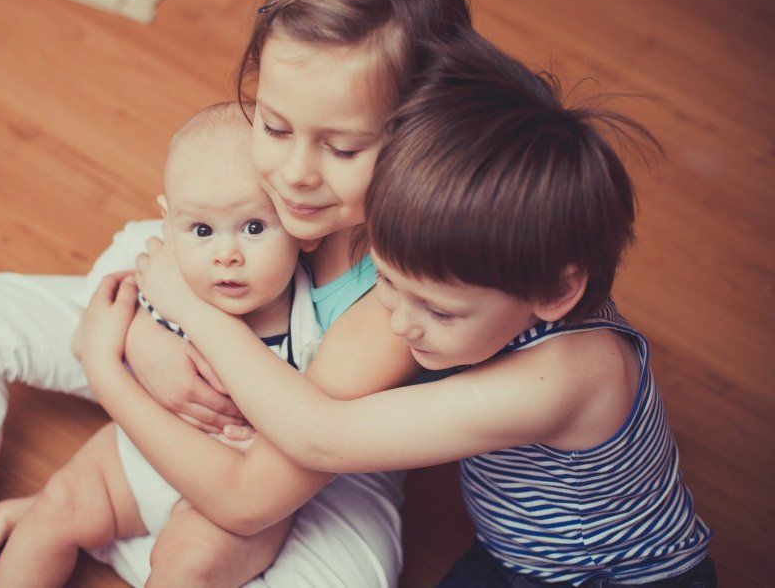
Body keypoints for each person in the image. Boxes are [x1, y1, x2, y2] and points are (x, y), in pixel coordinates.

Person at [0, 0, 474, 587]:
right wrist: (140, 336)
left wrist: (118, 367)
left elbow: (251, 498)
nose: (295, 176)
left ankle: (98, 524)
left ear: (417, 137)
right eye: (271, 126)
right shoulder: (292, 151)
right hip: (183, 345)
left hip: (294, 476)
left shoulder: (396, 298)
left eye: (342, 147)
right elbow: (167, 240)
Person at [118, 35, 715, 585]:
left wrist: (192, 315)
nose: (398, 323)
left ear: (557, 295)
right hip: (507, 551)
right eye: (385, 281)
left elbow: (321, 437)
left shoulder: (566, 376)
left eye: (439, 312)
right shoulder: (495, 279)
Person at [0, 102, 326, 585]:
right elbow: (96, 305)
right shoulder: (160, 267)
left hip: (228, 496)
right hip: (137, 454)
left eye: (253, 228)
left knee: (184, 568)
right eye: (202, 230)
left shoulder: (311, 328)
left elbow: (311, 426)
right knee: (58, 506)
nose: (226, 255)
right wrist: (136, 329)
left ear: (300, 224)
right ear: (169, 223)